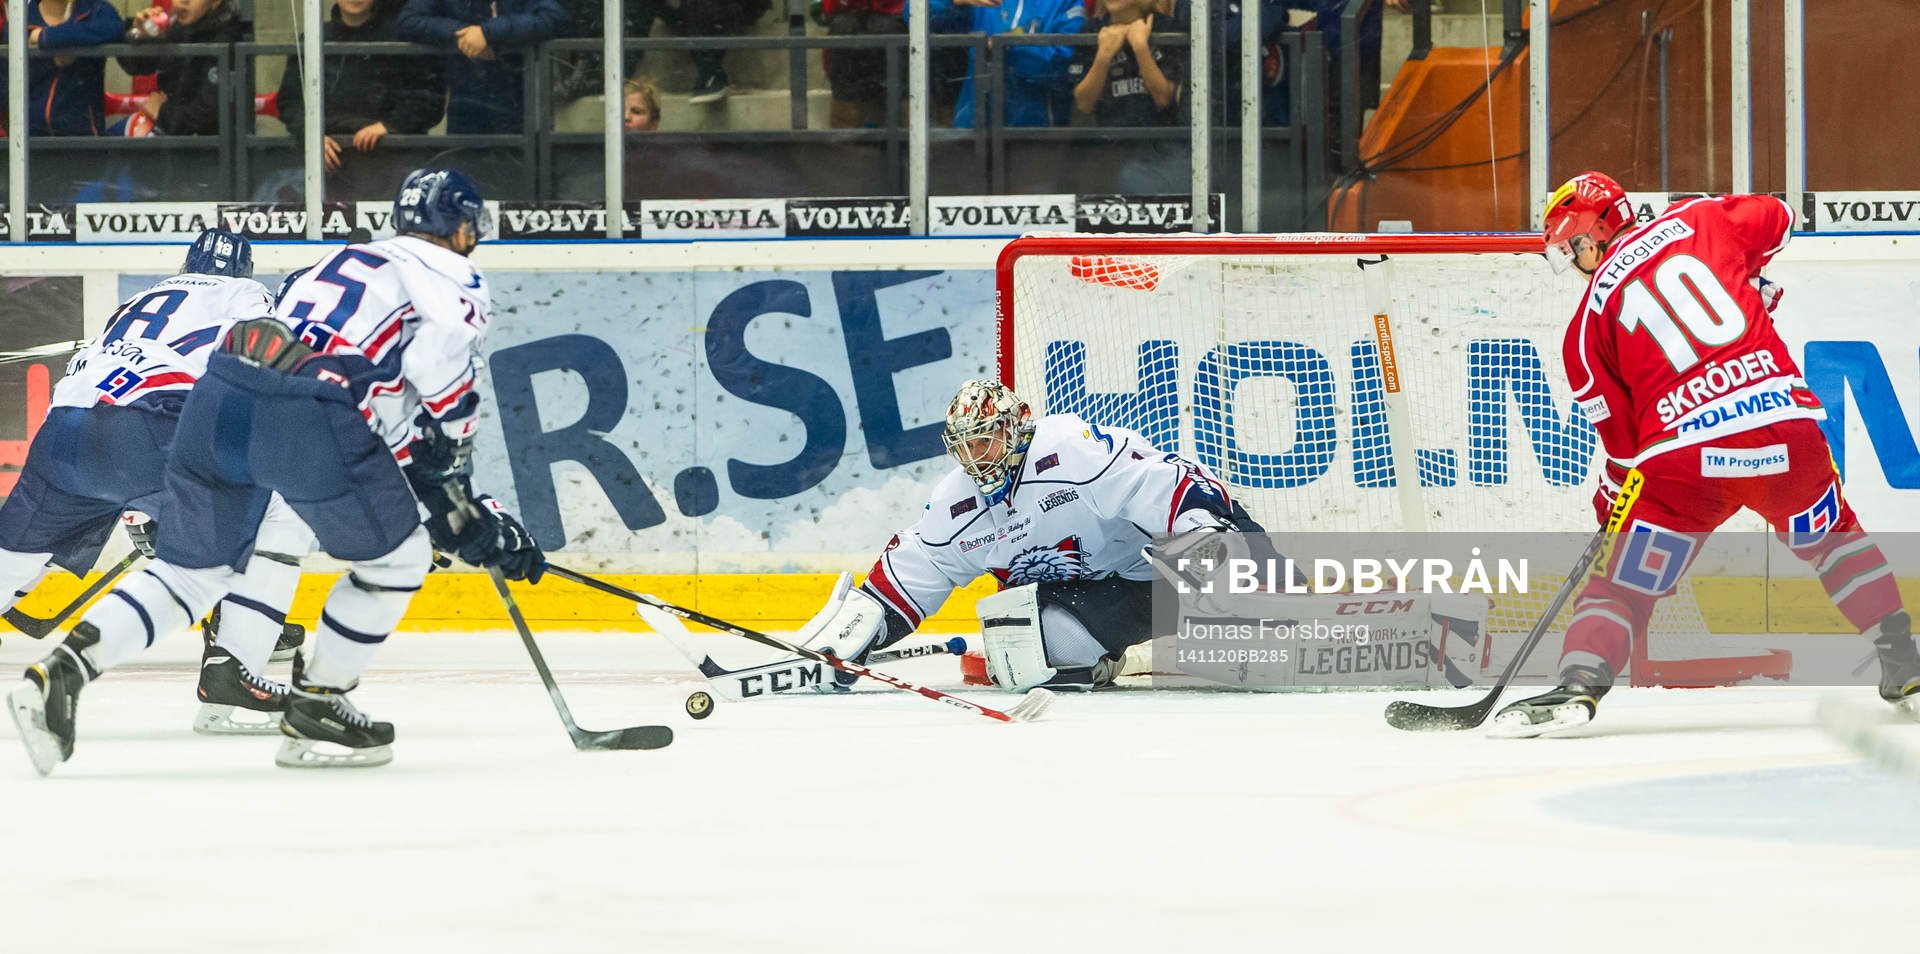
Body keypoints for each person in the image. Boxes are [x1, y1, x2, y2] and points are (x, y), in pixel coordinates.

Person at [6, 169, 545, 775]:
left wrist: (453, 506)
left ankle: (61, 673)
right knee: (398, 560)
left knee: (195, 573)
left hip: (216, 397)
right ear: (465, 228)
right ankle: (320, 704)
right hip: (303, 409)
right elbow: (442, 401)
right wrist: (466, 509)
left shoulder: (339, 264)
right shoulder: (452, 278)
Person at [1491, 172, 1919, 737]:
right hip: (1781, 429)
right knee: (1835, 540)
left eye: (1571, 246)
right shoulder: (1700, 217)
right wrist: (1751, 273)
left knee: (1623, 580)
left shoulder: (1584, 329)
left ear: (1595, 231)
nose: (1572, 261)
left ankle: (1579, 682)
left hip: (1684, 462)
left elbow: (1624, 449)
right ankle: (1901, 657)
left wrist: (1610, 501)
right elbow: (1778, 217)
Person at [747, 379, 1265, 694]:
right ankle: (1124, 658)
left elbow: (1166, 483)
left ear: (1017, 427)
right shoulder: (958, 502)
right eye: (966, 446)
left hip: (1167, 558)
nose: (978, 457)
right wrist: (849, 638)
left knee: (1231, 592)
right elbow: (913, 573)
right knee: (1030, 653)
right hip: (1116, 592)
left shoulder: (1069, 451)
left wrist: (1217, 550)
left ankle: (1279, 605)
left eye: (987, 438)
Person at [0, 230, 310, 736]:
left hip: (63, 432)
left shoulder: (139, 300)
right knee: (273, 510)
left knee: (8, 560)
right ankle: (233, 666)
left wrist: (140, 506)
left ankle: (215, 606)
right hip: (147, 432)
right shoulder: (245, 295)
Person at [277, 0, 446, 179]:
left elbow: (429, 99)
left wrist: (389, 126)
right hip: (328, 166)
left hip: (392, 162)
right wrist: (311, 137)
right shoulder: (312, 38)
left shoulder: (401, 38)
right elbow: (290, 102)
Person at [396, 0, 568, 134]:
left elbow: (555, 18)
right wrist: (464, 35)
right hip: (464, 103)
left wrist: (488, 33)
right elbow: (408, 21)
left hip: (520, 103)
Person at [933, 0, 1085, 129]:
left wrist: (1005, 47)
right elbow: (915, 16)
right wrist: (952, 1)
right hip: (973, 126)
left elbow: (1064, 62)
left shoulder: (1065, 2)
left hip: (1035, 133)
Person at [118, 0, 249, 135]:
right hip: (174, 136)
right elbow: (135, 66)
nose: (183, 1)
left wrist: (160, 112)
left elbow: (207, 116)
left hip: (206, 150)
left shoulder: (224, 40)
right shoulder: (180, 28)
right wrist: (139, 34)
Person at [0, 0, 124, 136]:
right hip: (30, 142)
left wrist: (46, 37)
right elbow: (7, 88)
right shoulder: (20, 21)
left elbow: (115, 28)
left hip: (84, 142)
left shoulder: (95, 10)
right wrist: (50, 60)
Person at [822, 0, 903, 128]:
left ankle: (898, 129)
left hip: (893, 20)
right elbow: (828, 7)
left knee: (886, 28)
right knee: (843, 27)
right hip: (851, 23)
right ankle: (847, 132)